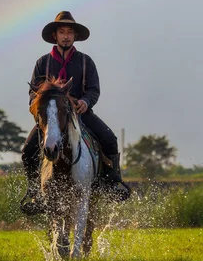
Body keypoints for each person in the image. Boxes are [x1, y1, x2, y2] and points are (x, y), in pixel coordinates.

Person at [20, 11, 129, 215]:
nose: (66, 36)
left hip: (80, 115)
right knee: (27, 151)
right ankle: (34, 191)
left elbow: (94, 89)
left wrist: (85, 102)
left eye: (70, 32)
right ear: (55, 36)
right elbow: (33, 94)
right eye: (62, 32)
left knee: (109, 138)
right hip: (53, 118)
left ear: (75, 36)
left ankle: (112, 183)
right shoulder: (42, 63)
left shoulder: (86, 61)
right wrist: (42, 113)